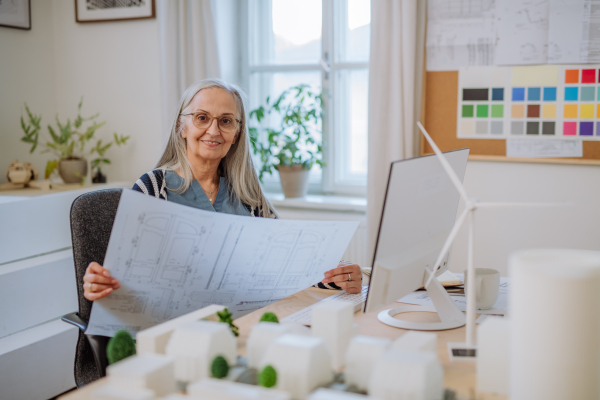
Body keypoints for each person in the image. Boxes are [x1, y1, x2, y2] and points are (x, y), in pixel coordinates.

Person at [81, 79, 363, 302]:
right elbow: (120, 274)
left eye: (226, 121)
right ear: (182, 126)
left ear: (237, 134)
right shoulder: (153, 188)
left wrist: (337, 275)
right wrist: (98, 283)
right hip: (175, 333)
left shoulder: (247, 196)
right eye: (202, 118)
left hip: (241, 326)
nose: (214, 130)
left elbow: (286, 269)